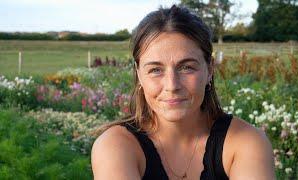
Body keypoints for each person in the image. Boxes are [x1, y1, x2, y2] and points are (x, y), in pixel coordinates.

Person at [91, 5, 275, 180]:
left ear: (209, 69)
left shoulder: (246, 142)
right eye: (155, 70)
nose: (172, 85)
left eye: (186, 67)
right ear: (139, 74)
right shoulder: (116, 146)